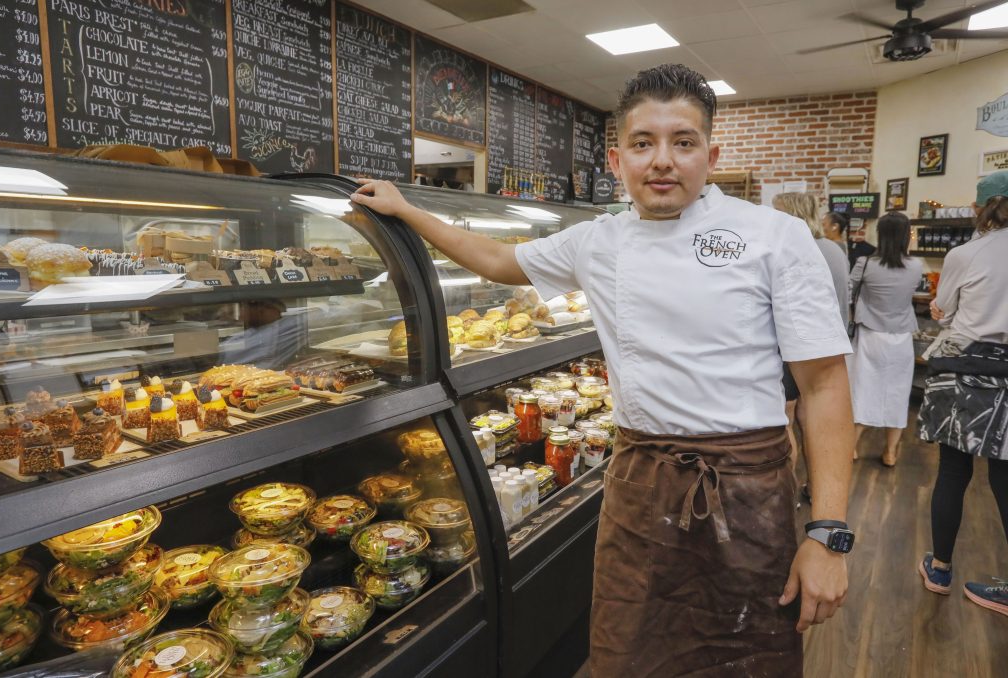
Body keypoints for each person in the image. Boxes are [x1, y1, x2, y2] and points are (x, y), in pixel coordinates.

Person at [352, 64, 855, 676]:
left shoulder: (775, 237)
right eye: (643, 143)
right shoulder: (599, 241)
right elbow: (497, 257)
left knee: (744, 662)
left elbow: (825, 386)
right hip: (639, 484)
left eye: (683, 142)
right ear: (618, 160)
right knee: (625, 656)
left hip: (747, 494)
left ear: (711, 154)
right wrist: (407, 211)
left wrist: (828, 535)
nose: (662, 161)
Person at [917, 170, 1008, 617]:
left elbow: (945, 310)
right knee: (1007, 481)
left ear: (980, 208)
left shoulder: (967, 253)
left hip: (967, 370)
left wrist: (942, 310)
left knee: (954, 473)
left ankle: (939, 568)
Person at [773, 193, 849, 499]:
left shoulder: (796, 249)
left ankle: (785, 494)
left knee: (786, 421)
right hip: (831, 348)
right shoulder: (834, 248)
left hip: (796, 351)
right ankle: (815, 487)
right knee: (813, 422)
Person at [846, 212, 922, 466]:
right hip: (901, 338)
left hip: (870, 336)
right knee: (897, 394)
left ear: (880, 233)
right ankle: (890, 452)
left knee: (863, 391)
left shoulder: (866, 263)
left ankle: (852, 448)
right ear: (905, 236)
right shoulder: (916, 266)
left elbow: (849, 292)